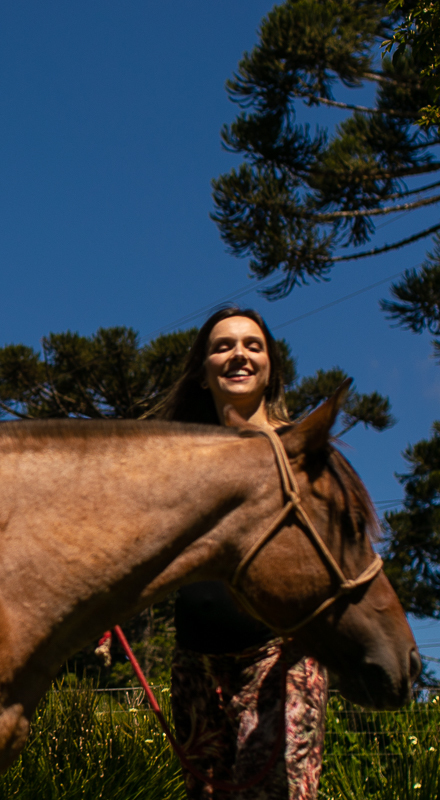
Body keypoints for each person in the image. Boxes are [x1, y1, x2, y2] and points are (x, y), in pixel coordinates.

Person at [152, 307, 327, 800]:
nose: (239, 355)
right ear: (203, 373)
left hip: (280, 658)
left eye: (253, 345)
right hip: (196, 664)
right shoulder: (179, 458)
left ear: (271, 367)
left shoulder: (299, 449)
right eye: (222, 346)